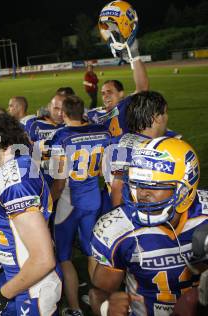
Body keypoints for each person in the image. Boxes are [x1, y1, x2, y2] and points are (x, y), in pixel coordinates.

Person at [89, 137, 207, 316]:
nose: (142, 194)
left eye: (154, 185)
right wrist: (106, 307)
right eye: (137, 184)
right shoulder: (118, 229)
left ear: (184, 190)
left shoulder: (203, 215)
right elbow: (98, 291)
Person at [0, 113, 62, 315]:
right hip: (17, 272)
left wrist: (2, 295)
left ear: (5, 147)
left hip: (33, 285)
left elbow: (43, 259)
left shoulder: (15, 181)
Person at [47, 95, 111, 316]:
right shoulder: (103, 133)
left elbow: (59, 180)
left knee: (64, 256)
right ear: (82, 112)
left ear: (63, 113)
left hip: (68, 203)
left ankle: (74, 308)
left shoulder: (61, 136)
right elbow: (108, 170)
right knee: (92, 252)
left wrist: (46, 206)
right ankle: (98, 298)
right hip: (93, 199)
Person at [107, 91, 174, 210]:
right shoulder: (130, 146)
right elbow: (118, 187)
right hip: (133, 215)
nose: (167, 117)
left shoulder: (126, 140)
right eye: (165, 112)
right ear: (156, 118)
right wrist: (121, 221)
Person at [87, 39, 149, 137]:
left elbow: (142, 88)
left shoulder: (126, 106)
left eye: (109, 92)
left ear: (121, 94)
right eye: (103, 93)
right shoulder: (93, 113)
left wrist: (134, 53)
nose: (105, 96)